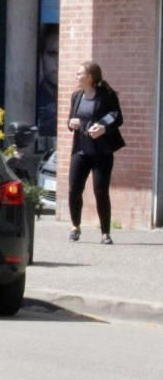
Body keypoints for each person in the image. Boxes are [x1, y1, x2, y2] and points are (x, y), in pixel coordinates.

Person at [66, 61, 125, 244]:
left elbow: (117, 118)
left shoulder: (106, 96)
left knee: (100, 191)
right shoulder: (77, 96)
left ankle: (105, 232)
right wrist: (71, 123)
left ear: (90, 77)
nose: (76, 76)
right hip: (80, 149)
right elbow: (70, 119)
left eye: (79, 73)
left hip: (101, 152)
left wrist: (103, 129)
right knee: (74, 189)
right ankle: (75, 226)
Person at [36, 25, 59, 137]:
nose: (59, 62)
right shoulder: (34, 96)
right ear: (41, 57)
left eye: (64, 54)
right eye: (52, 54)